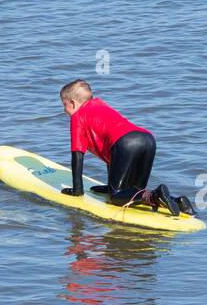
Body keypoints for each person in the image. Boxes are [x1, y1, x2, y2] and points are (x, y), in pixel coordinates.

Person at [59, 79, 196, 216]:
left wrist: (77, 190)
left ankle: (155, 194)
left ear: (73, 103)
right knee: (134, 191)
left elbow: (77, 155)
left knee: (116, 197)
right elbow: (110, 148)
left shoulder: (77, 117)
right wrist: (109, 186)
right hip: (147, 139)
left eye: (64, 105)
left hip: (126, 142)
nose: (64, 110)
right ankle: (178, 201)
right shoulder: (100, 104)